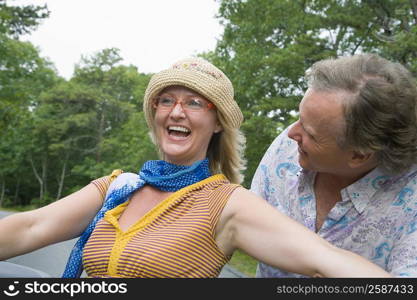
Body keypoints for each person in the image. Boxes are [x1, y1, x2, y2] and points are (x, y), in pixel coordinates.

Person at [0, 57, 391, 278]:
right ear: (154, 114)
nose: (176, 111)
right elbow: (30, 226)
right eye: (166, 100)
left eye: (194, 102)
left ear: (217, 121)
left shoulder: (228, 205)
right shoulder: (118, 187)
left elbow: (324, 259)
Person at [251, 53, 417, 278]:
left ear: (359, 155)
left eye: (309, 133)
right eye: (299, 118)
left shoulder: (411, 203)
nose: (291, 133)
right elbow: (244, 219)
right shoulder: (289, 146)